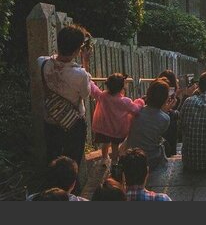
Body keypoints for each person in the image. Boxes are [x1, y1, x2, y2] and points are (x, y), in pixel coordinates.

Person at [38, 24, 92, 169]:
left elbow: (49, 59)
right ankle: (70, 189)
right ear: (76, 50)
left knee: (53, 160)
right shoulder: (80, 75)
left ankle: (52, 188)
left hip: (51, 119)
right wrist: (85, 62)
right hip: (73, 124)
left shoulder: (42, 63)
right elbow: (85, 94)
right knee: (71, 165)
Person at [90, 73, 141, 169]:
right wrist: (140, 101)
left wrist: (89, 80)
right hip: (117, 129)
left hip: (103, 128)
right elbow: (136, 110)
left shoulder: (103, 96)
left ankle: (104, 159)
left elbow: (94, 90)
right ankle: (114, 162)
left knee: (105, 144)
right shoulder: (125, 101)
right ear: (122, 87)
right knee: (115, 146)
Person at [126, 79, 171, 170]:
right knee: (164, 145)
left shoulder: (137, 112)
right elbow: (158, 133)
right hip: (151, 160)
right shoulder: (165, 119)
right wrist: (164, 111)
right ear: (165, 98)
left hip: (131, 156)